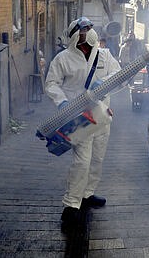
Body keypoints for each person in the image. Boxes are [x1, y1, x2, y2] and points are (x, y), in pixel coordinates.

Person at [45, 17, 121, 228]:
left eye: (88, 28)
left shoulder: (105, 55)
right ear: (73, 35)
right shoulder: (63, 59)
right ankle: (71, 205)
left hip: (102, 116)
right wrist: (61, 103)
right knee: (81, 161)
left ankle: (88, 194)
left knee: (98, 157)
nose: (86, 33)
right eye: (81, 29)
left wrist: (104, 82)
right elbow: (51, 83)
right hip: (79, 118)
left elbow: (119, 75)